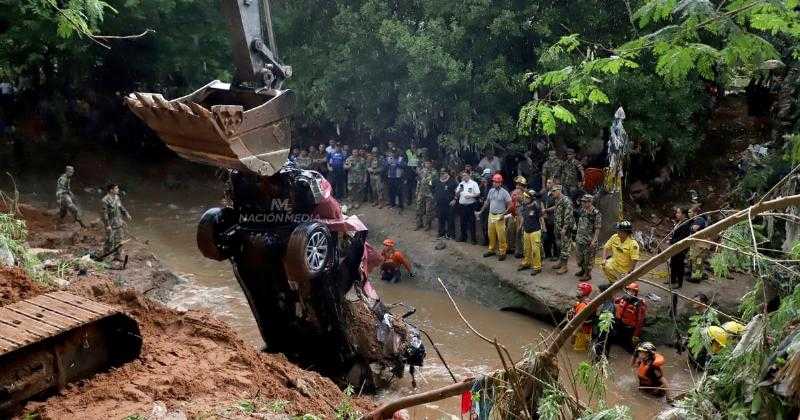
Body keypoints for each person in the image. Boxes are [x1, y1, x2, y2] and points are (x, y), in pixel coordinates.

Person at [478, 174, 512, 261]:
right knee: (491, 233)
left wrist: (504, 214)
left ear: (500, 183)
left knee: (501, 235)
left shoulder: (505, 192)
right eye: (494, 182)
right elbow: (487, 202)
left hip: (499, 216)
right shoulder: (491, 191)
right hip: (491, 214)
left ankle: (502, 252)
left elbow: (510, 205)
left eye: (496, 182)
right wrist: (481, 211)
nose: (495, 183)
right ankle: (491, 249)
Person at [101, 183, 131, 268]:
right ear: (111, 190)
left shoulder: (117, 197)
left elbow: (121, 207)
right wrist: (107, 225)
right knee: (109, 240)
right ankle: (106, 256)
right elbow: (105, 214)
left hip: (118, 221)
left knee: (120, 239)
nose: (118, 190)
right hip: (111, 223)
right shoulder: (105, 200)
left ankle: (118, 256)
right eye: (116, 189)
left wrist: (126, 214)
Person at [574, 194, 602, 281]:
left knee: (588, 258)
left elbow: (597, 228)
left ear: (590, 202)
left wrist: (594, 240)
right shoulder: (582, 210)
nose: (582, 203)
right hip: (580, 238)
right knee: (580, 257)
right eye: (582, 201)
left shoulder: (596, 213)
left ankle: (587, 274)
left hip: (589, 240)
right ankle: (582, 270)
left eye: (584, 202)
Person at [614, 282, 647, 352]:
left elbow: (640, 320)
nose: (630, 293)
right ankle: (619, 341)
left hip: (630, 326)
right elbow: (616, 304)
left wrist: (636, 334)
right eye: (629, 290)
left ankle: (630, 349)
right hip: (620, 322)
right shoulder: (623, 298)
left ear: (636, 292)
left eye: (633, 291)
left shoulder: (638, 304)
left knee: (628, 341)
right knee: (619, 335)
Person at [517, 190, 544, 275]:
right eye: (524, 197)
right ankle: (527, 263)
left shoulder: (536, 206)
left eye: (526, 197)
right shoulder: (524, 206)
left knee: (535, 250)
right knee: (526, 249)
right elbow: (523, 217)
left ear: (531, 198)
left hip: (535, 231)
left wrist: (544, 229)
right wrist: (520, 226)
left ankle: (537, 267)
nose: (524, 199)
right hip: (526, 230)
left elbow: (541, 218)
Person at [551, 185, 574, 274]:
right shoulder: (557, 200)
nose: (552, 193)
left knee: (565, 246)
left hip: (565, 228)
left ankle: (565, 267)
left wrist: (564, 228)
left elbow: (568, 216)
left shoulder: (566, 201)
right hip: (558, 227)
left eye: (553, 191)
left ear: (559, 191)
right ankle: (561, 262)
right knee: (559, 245)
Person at [669, 207, 692, 289]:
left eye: (678, 213)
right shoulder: (680, 222)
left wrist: (672, 241)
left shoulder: (685, 224)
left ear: (683, 214)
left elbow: (682, 238)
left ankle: (679, 283)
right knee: (673, 264)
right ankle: (672, 280)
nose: (676, 214)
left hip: (680, 248)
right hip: (675, 247)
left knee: (679, 266)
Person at [456, 170, 481, 243]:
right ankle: (463, 237)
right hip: (462, 205)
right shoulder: (461, 184)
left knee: (472, 222)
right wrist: (459, 191)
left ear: (468, 175)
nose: (463, 177)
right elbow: (456, 194)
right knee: (462, 222)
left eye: (465, 175)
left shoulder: (473, 183)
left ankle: (473, 239)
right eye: (462, 176)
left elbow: (478, 193)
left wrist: (471, 196)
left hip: (470, 205)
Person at [569, 282, 594, 351]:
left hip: (582, 332)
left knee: (578, 350)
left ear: (584, 292)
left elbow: (580, 320)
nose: (577, 291)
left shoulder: (583, 305)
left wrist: (574, 334)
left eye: (579, 290)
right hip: (584, 331)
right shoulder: (584, 301)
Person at [592, 283, 615, 359]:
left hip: (605, 327)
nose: (597, 293)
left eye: (599, 292)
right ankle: (602, 355)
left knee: (602, 341)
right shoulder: (606, 301)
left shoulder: (608, 305)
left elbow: (606, 320)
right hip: (604, 325)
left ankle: (599, 357)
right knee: (604, 341)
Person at [433, 168, 457, 239]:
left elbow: (458, 192)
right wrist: (434, 196)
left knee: (450, 219)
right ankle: (441, 233)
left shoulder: (453, 182)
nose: (442, 174)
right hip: (439, 204)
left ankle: (451, 234)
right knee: (440, 219)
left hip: (449, 204)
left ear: (447, 173)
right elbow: (431, 187)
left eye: (444, 173)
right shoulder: (436, 180)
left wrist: (454, 200)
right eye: (441, 173)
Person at [688, 205, 709, 282]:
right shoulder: (697, 220)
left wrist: (690, 227)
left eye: (690, 212)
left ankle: (696, 278)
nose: (689, 214)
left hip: (700, 245)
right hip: (697, 244)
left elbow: (694, 229)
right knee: (694, 260)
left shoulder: (700, 220)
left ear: (695, 212)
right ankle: (696, 274)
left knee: (697, 261)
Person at [509, 176, 527, 259]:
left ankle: (523, 251)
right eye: (517, 184)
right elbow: (511, 204)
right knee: (514, 231)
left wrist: (520, 198)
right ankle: (515, 249)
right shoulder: (513, 192)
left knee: (522, 232)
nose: (518, 186)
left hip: (524, 215)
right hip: (515, 214)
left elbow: (526, 203)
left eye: (520, 184)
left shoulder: (527, 193)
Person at [414, 159, 435, 231]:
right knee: (418, 208)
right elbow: (419, 182)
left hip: (429, 193)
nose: (427, 164)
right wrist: (417, 191)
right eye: (426, 163)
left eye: (428, 163)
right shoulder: (422, 171)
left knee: (428, 210)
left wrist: (426, 180)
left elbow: (432, 182)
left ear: (431, 164)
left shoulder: (433, 172)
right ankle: (419, 224)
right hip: (421, 192)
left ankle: (428, 225)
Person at [541, 178, 559, 261]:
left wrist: (546, 210)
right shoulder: (544, 193)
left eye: (549, 183)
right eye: (547, 182)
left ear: (553, 184)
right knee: (546, 237)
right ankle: (547, 253)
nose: (547, 184)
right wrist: (543, 211)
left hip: (553, 218)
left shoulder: (556, 193)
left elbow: (557, 206)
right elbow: (541, 202)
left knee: (554, 237)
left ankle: (556, 254)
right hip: (546, 218)